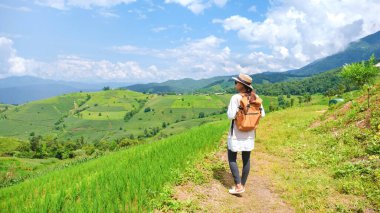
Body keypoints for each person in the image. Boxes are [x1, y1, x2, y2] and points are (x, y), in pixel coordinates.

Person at [226, 73, 265, 194]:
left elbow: (230, 116)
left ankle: (238, 186)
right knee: (246, 158)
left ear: (241, 85)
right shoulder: (255, 97)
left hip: (237, 133)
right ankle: (242, 184)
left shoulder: (235, 98)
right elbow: (262, 114)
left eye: (236, 82)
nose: (235, 84)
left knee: (232, 157)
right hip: (249, 133)